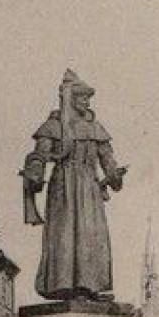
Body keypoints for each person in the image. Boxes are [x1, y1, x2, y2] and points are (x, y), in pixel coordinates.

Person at [19, 70, 127, 301]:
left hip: (89, 187)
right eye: (82, 97)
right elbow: (39, 155)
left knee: (91, 234)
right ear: (70, 98)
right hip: (64, 186)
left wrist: (114, 174)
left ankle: (90, 285)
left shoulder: (95, 127)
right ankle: (62, 283)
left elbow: (107, 158)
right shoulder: (54, 125)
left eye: (88, 98)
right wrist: (36, 171)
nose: (86, 102)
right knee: (64, 234)